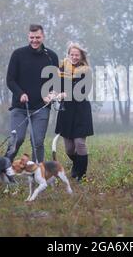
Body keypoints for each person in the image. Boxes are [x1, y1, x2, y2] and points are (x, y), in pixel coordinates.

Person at [5, 24, 59, 163]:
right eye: (31, 37)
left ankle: (38, 173)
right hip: (20, 107)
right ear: (28, 37)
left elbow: (56, 82)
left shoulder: (51, 56)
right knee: (17, 139)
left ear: (43, 37)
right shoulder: (18, 54)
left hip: (41, 107)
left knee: (38, 142)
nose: (34, 40)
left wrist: (52, 94)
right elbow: (10, 80)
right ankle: (5, 167)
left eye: (37, 37)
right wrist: (20, 93)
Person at [55, 42, 94, 182]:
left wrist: (67, 93)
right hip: (66, 112)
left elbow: (84, 91)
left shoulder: (86, 70)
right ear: (68, 55)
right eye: (72, 54)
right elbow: (56, 86)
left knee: (80, 143)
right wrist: (56, 93)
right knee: (69, 149)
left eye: (77, 54)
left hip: (81, 111)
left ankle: (81, 175)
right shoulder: (62, 69)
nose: (74, 57)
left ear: (81, 55)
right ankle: (77, 165)